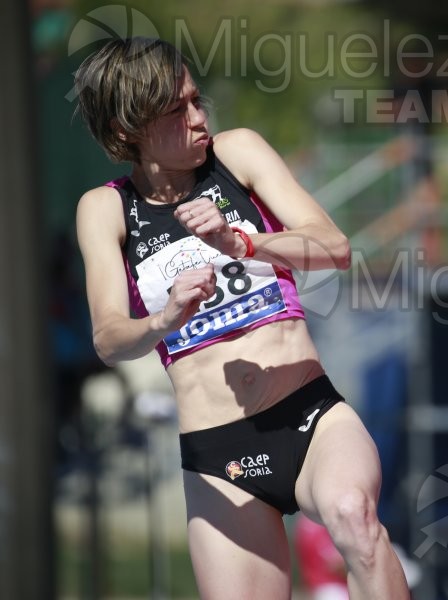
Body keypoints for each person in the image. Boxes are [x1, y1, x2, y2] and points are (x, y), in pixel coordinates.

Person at [73, 37, 410, 599]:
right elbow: (109, 338)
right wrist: (164, 319)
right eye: (179, 111)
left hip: (308, 413)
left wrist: (243, 244)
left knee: (355, 518)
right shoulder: (105, 208)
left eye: (197, 100)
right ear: (131, 127)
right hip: (216, 452)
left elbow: (333, 246)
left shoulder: (238, 153)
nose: (200, 118)